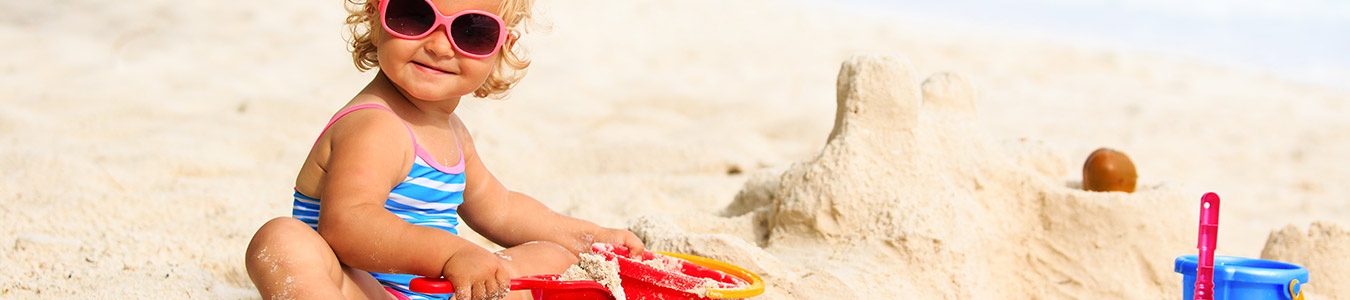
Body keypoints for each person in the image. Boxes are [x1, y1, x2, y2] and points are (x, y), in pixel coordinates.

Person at [244, 0, 645, 299]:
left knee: (552, 256)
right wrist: (452, 254)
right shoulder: (374, 125)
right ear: (373, 13)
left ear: (501, 47)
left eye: (472, 31)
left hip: (441, 289)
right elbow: (348, 224)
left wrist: (591, 238)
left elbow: (500, 208)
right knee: (282, 240)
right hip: (364, 290)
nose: (438, 46)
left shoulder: (453, 131)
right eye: (414, 15)